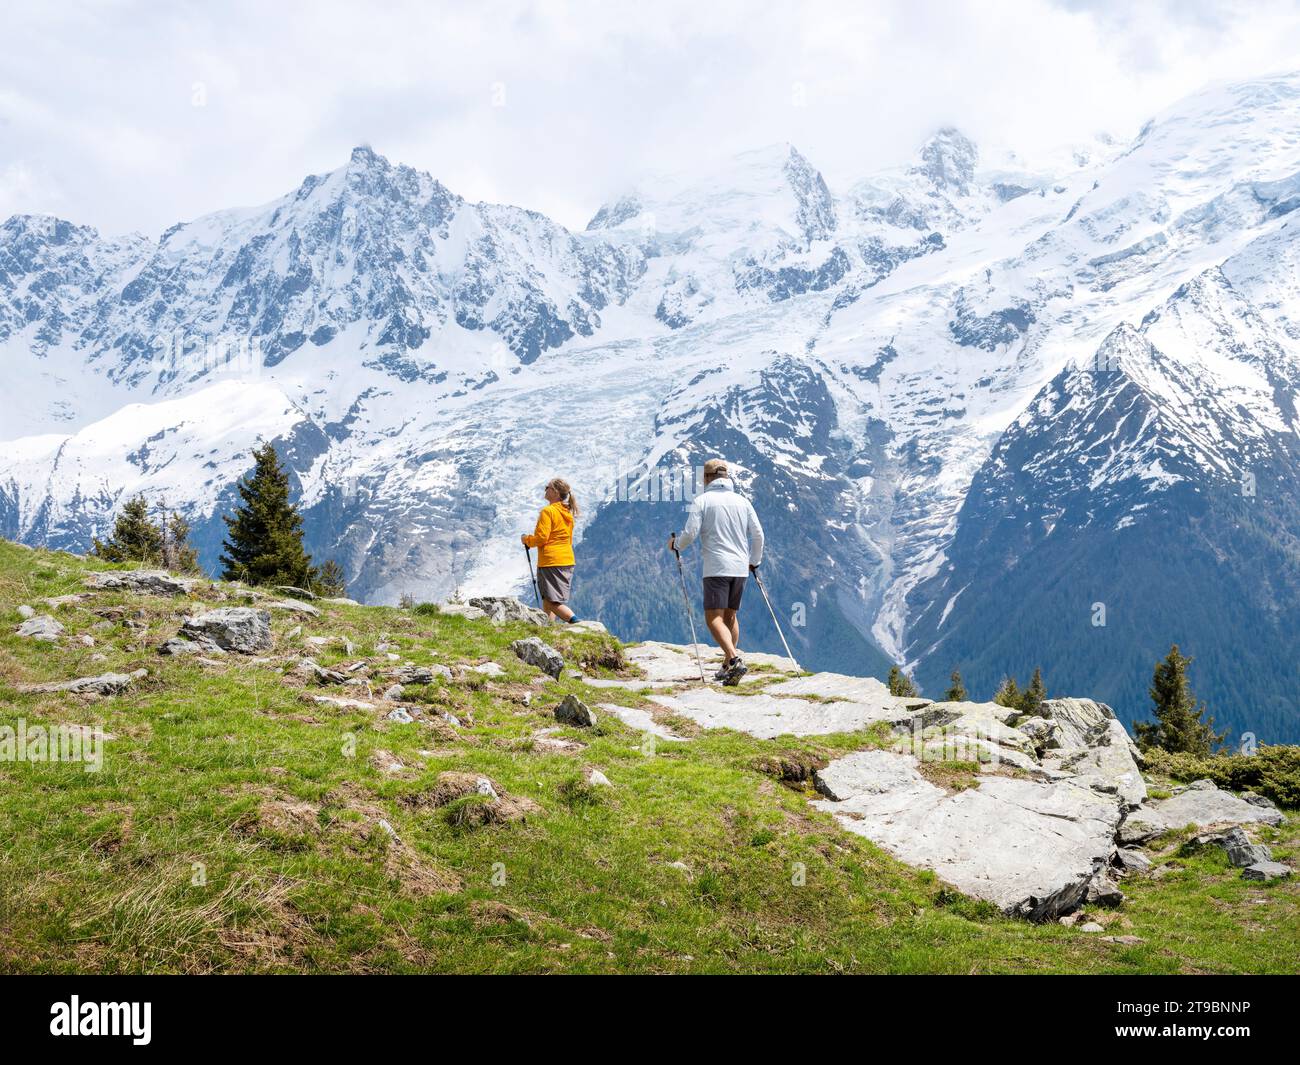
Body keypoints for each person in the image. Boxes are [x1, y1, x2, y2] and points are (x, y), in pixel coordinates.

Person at [668, 458, 764, 685]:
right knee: (731, 615)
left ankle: (733, 660)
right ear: (726, 477)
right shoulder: (743, 501)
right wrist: (754, 561)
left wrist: (676, 544)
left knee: (713, 618)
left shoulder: (702, 501)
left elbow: (691, 533)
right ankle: (725, 666)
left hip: (716, 567)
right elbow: (758, 534)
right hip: (740, 566)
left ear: (707, 478)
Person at [521, 477, 582, 624]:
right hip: (566, 560)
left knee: (552, 601)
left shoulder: (548, 511)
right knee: (549, 599)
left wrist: (527, 540)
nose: (545, 490)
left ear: (554, 492)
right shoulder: (567, 513)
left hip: (551, 561)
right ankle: (548, 628)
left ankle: (576, 622)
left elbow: (542, 538)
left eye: (547, 487)